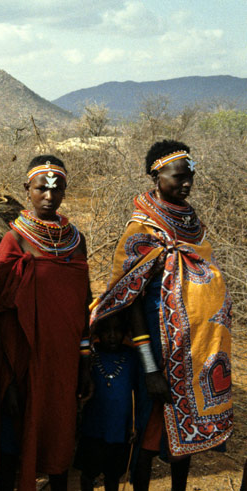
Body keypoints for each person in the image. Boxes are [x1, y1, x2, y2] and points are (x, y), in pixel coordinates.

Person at [89, 140, 232, 491]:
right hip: (159, 351)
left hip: (197, 351)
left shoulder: (191, 222)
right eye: (179, 177)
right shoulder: (143, 229)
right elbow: (131, 298)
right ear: (157, 175)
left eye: (190, 176)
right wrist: (150, 366)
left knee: (183, 443)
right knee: (149, 434)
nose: (187, 183)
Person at [0, 155, 91, 491]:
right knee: (14, 441)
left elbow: (83, 301)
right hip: (25, 357)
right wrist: (8, 371)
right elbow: (1, 308)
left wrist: (84, 358)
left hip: (63, 359)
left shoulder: (76, 239)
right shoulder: (14, 240)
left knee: (60, 434)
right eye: (41, 188)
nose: (49, 196)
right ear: (27, 189)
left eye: (57, 189)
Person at [74, 315, 138, 491]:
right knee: (88, 474)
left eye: (117, 330)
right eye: (107, 330)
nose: (112, 335)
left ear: (124, 332)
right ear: (98, 332)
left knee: (113, 476)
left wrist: (133, 424)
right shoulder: (90, 358)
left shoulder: (131, 358)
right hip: (92, 429)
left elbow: (135, 393)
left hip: (119, 431)